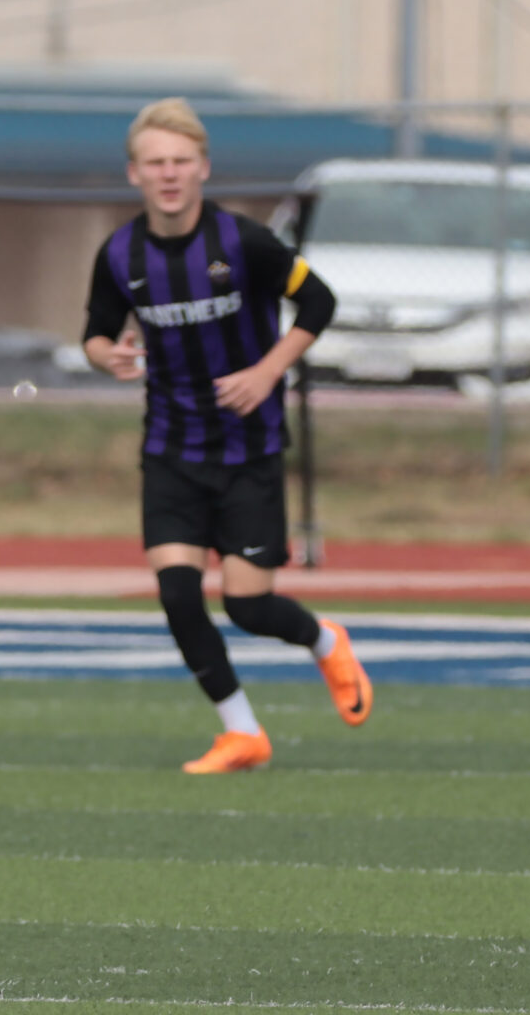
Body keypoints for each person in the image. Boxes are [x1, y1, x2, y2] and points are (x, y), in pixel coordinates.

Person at [82, 97, 372, 774]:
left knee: (248, 605)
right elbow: (95, 331)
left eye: (181, 161)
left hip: (249, 450)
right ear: (134, 174)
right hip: (171, 448)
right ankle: (242, 732)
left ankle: (326, 642)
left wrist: (269, 371)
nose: (169, 173)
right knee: (178, 594)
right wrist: (106, 355)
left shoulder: (243, 243)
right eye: (156, 162)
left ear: (203, 168)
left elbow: (320, 301)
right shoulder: (121, 252)